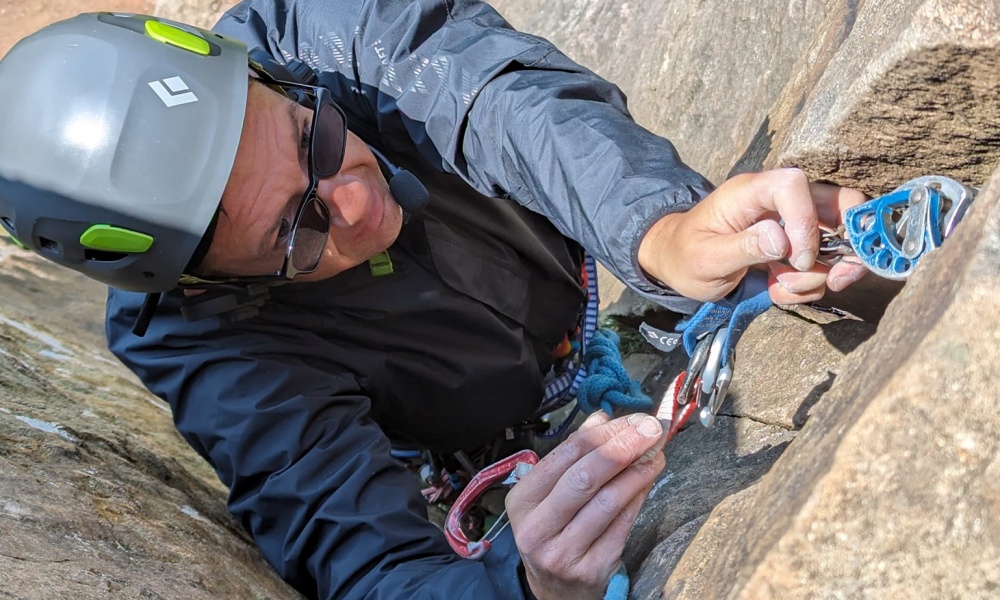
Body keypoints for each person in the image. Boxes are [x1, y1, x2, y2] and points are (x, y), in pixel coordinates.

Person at [0, 2, 868, 599]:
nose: (354, 201)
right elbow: (365, 558)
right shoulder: (198, 342)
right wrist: (520, 582)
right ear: (203, 282)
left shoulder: (318, 32)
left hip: (586, 265)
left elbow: (496, 99)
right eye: (294, 233)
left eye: (319, 139)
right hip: (481, 433)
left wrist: (662, 229)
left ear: (264, 74)